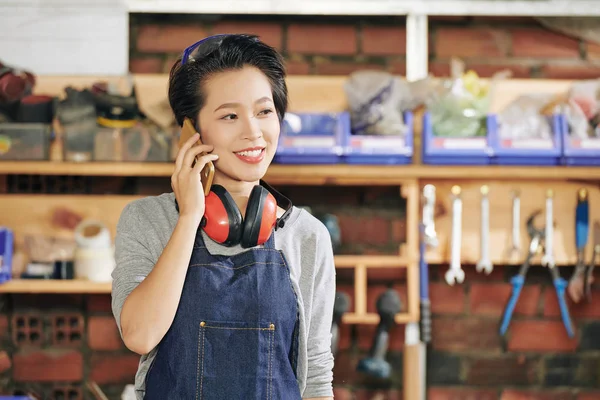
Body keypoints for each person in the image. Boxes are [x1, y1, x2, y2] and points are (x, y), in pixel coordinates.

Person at [111, 33, 336, 400]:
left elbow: (316, 376)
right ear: (192, 132)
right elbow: (139, 335)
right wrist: (189, 218)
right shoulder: (148, 219)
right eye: (230, 115)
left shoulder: (306, 236)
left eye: (264, 111)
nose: (253, 132)